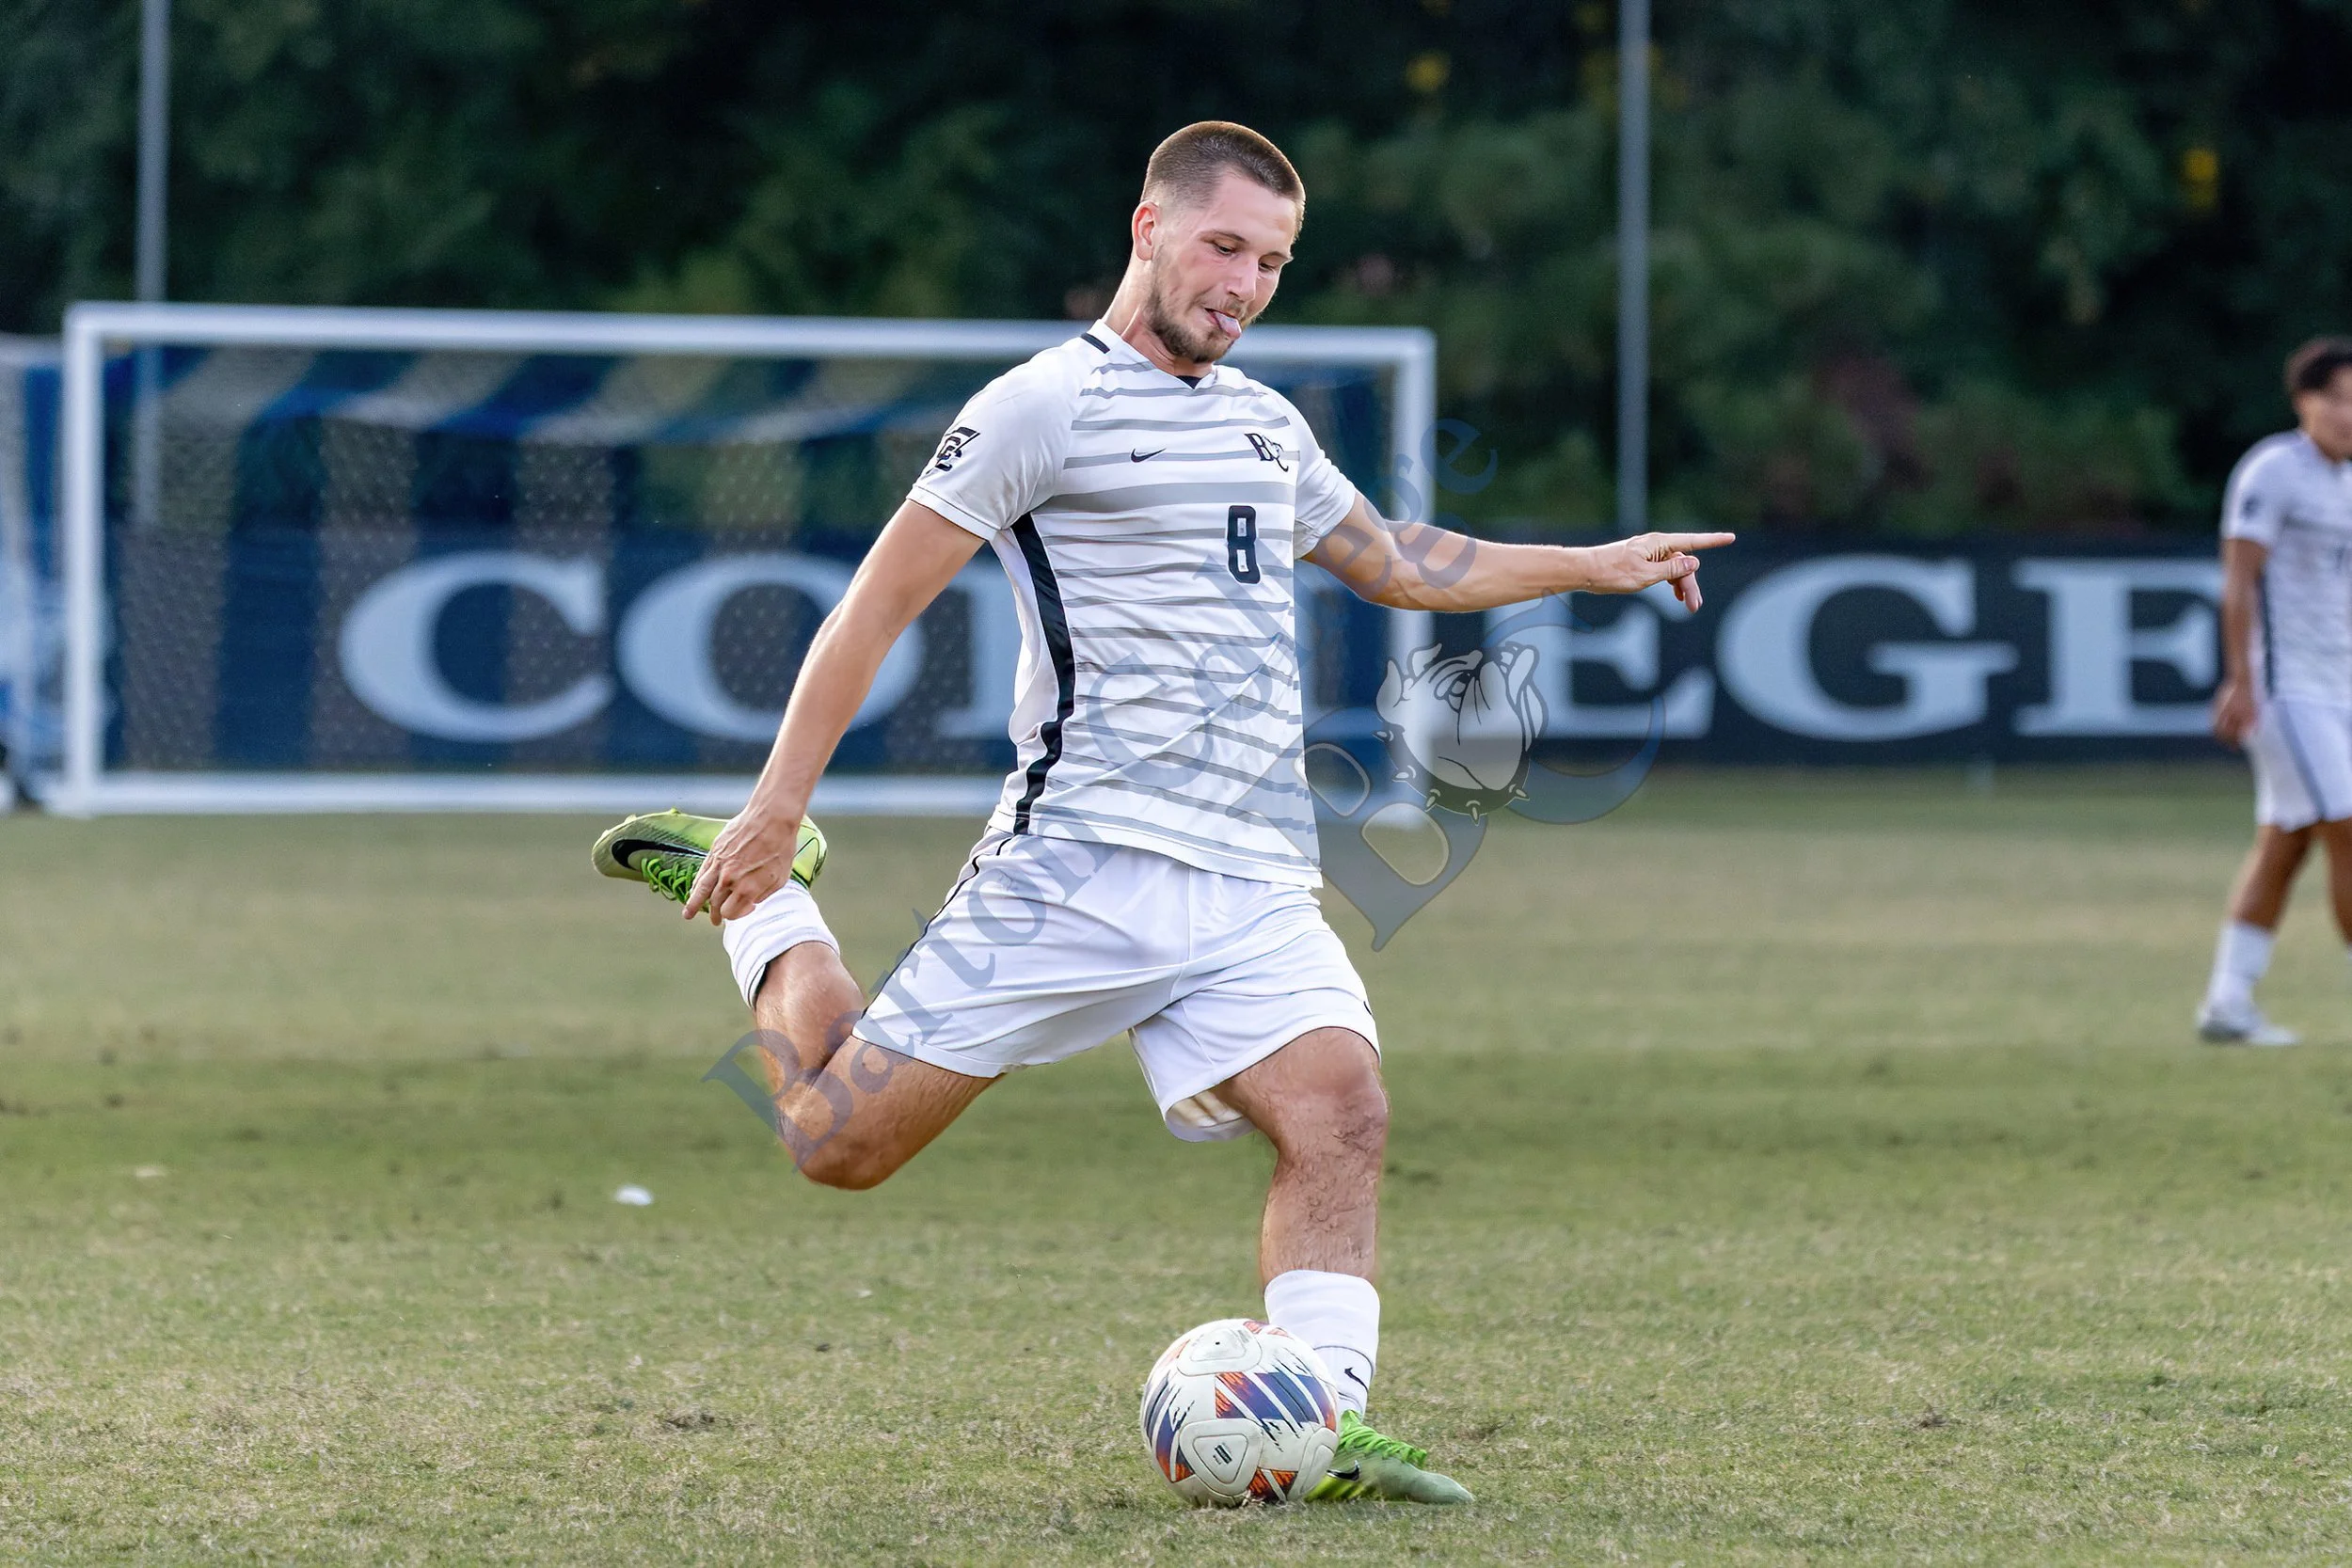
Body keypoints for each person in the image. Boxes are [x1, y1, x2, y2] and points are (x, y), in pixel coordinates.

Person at [590, 120, 1731, 1502]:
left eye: (1273, 262)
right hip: (1078, 863)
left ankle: (1324, 1418)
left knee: (1341, 1108)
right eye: (1225, 246)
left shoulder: (1266, 420)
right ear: (1148, 228)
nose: (1244, 283)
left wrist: (1591, 562)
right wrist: (777, 810)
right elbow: (876, 604)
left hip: (1252, 872)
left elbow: (1400, 564)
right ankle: (766, 896)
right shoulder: (1036, 407)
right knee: (837, 1141)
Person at [2200, 337, 2352, 1046]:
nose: (2349, 415)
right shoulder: (2274, 470)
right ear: (2305, 401)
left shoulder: (2347, 481)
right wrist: (2239, 678)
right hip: (2287, 691)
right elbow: (2239, 582)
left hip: (2340, 685)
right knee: (2348, 826)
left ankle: (2228, 1001)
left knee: (2286, 843)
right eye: (2338, 398)